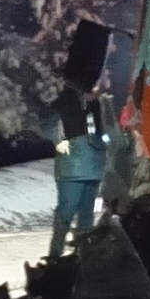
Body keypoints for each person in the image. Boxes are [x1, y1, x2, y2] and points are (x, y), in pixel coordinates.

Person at [45, 73, 111, 263]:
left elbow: (51, 126)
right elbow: (105, 135)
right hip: (86, 166)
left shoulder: (70, 103)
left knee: (70, 213)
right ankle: (79, 256)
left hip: (76, 168)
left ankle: (61, 255)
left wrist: (60, 142)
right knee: (82, 214)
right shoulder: (85, 105)